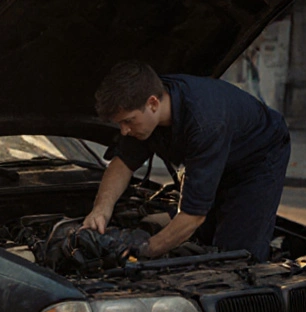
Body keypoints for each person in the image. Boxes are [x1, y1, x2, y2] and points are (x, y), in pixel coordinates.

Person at [82, 60, 291, 263]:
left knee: (236, 253)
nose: (124, 130)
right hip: (217, 152)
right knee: (204, 236)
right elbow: (122, 163)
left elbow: (193, 216)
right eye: (119, 123)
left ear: (153, 103)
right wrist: (101, 209)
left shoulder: (204, 123)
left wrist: (144, 251)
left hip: (259, 157)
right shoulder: (143, 105)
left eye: (128, 121)